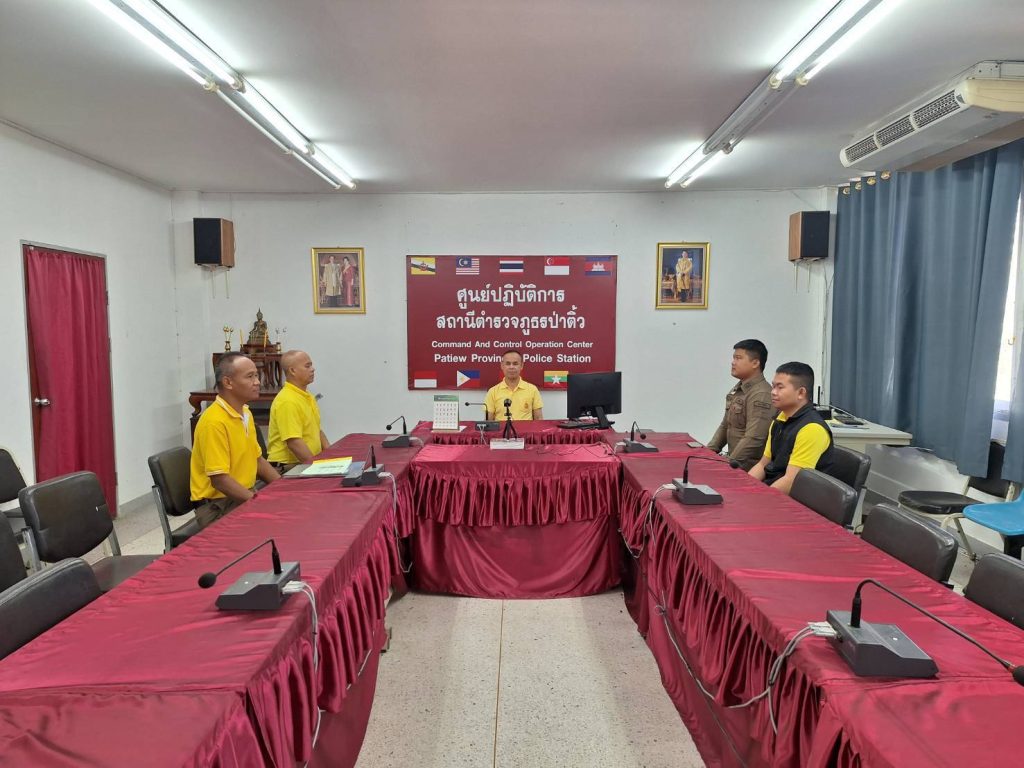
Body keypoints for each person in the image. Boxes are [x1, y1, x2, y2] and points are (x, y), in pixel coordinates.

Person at [191, 353, 280, 528]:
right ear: (228, 382)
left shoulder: (245, 413)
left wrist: (284, 488)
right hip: (219, 506)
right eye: (250, 376)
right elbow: (220, 480)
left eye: (257, 375)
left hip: (243, 495)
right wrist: (259, 503)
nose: (257, 382)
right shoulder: (214, 422)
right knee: (278, 524)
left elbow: (257, 460)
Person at [749, 362, 835, 495]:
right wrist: (744, 489)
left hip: (798, 499)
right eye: (773, 386)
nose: (773, 392)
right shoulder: (780, 419)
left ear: (801, 393)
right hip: (773, 489)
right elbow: (763, 464)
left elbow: (791, 480)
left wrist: (758, 499)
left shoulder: (812, 429)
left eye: (780, 387)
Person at [706, 339, 775, 470]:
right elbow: (725, 426)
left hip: (748, 468)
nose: (733, 362)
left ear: (755, 363)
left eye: (738, 358)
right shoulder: (740, 389)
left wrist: (728, 465)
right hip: (734, 462)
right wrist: (706, 454)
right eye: (733, 358)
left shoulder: (761, 394)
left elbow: (754, 438)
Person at [267, 349, 329, 469]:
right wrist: (317, 468)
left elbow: (317, 430)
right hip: (289, 466)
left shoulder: (306, 395)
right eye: (307, 366)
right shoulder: (287, 400)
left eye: (311, 365)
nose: (313, 369)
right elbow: (294, 443)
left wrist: (332, 456)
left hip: (307, 462)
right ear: (292, 371)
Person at [484, 349, 543, 421]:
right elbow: (488, 422)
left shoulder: (532, 390)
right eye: (508, 363)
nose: (511, 367)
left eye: (515, 364)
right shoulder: (492, 392)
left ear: (521, 366)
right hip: (502, 429)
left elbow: (539, 419)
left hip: (526, 429)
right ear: (502, 366)